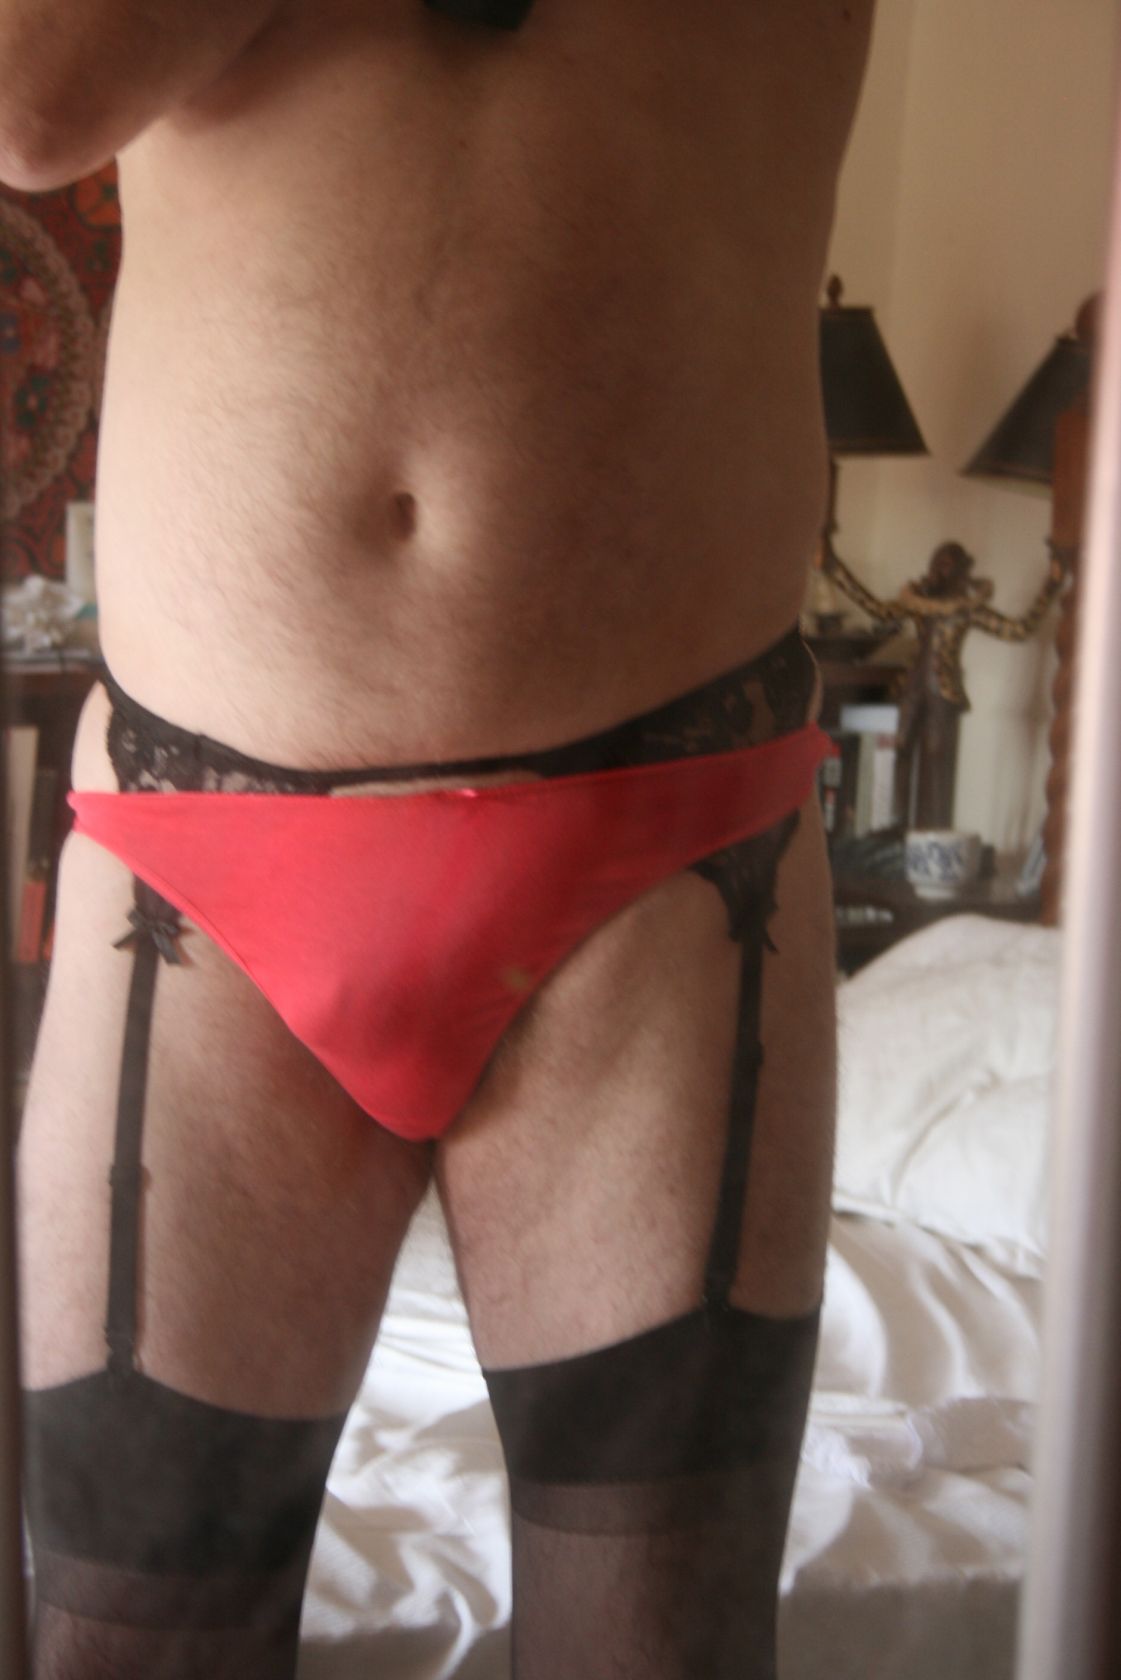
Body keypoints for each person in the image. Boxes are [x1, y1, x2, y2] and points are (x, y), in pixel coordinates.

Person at [5, 2, 877, 1675]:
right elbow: (33, 98)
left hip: (665, 861)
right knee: (129, 1640)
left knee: (659, 1644)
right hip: (201, 860)